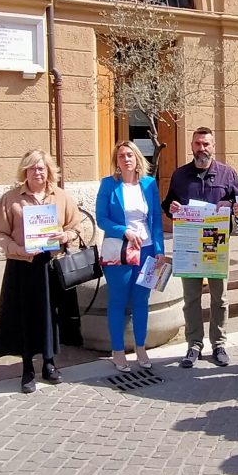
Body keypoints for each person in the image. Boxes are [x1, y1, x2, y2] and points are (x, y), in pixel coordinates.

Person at [0, 150, 86, 392]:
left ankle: (49, 363)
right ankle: (27, 369)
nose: (37, 172)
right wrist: (17, 248)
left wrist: (66, 235)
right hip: (22, 266)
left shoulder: (61, 197)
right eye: (32, 168)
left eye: (42, 168)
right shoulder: (11, 198)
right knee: (25, 316)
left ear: (49, 171)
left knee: (50, 315)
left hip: (50, 265)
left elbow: (77, 227)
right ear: (25, 170)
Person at [162, 127, 238, 368]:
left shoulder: (227, 174)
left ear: (213, 146)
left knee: (220, 298)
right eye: (198, 144)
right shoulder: (180, 175)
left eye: (206, 144)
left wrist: (229, 203)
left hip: (217, 245)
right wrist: (173, 207)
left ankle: (219, 344)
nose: (202, 148)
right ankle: (193, 345)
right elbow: (168, 203)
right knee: (191, 299)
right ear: (191, 146)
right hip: (189, 245)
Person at [96, 140, 165, 371]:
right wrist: (124, 231)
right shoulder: (108, 185)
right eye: (121, 156)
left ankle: (141, 348)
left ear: (137, 159)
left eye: (130, 155)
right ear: (116, 161)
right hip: (120, 250)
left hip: (146, 250)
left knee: (141, 301)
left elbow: (155, 220)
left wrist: (159, 251)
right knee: (117, 300)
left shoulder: (149, 184)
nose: (126, 159)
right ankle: (117, 351)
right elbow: (102, 219)